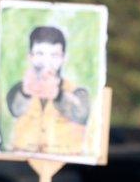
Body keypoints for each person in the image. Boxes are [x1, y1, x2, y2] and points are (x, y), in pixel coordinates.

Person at [6, 25, 90, 155]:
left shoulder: (76, 91)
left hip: (65, 163)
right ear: (30, 56)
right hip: (23, 161)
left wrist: (59, 95)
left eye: (54, 55)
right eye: (40, 54)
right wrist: (25, 92)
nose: (47, 61)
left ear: (64, 58)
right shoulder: (20, 89)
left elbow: (82, 113)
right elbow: (14, 108)